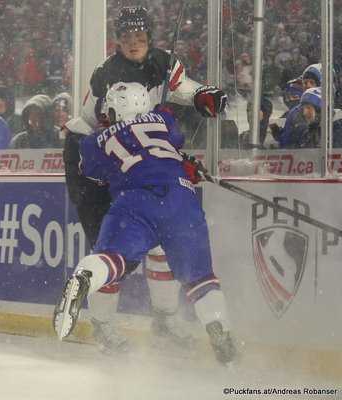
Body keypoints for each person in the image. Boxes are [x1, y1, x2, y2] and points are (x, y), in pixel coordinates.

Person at [62, 6, 228, 354]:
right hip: (91, 156)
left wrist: (203, 96)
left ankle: (165, 322)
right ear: (117, 42)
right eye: (126, 38)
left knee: (159, 241)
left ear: (150, 39)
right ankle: (103, 327)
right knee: (113, 248)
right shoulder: (106, 74)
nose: (134, 44)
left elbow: (184, 88)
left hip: (134, 152)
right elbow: (99, 128)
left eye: (140, 38)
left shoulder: (164, 62)